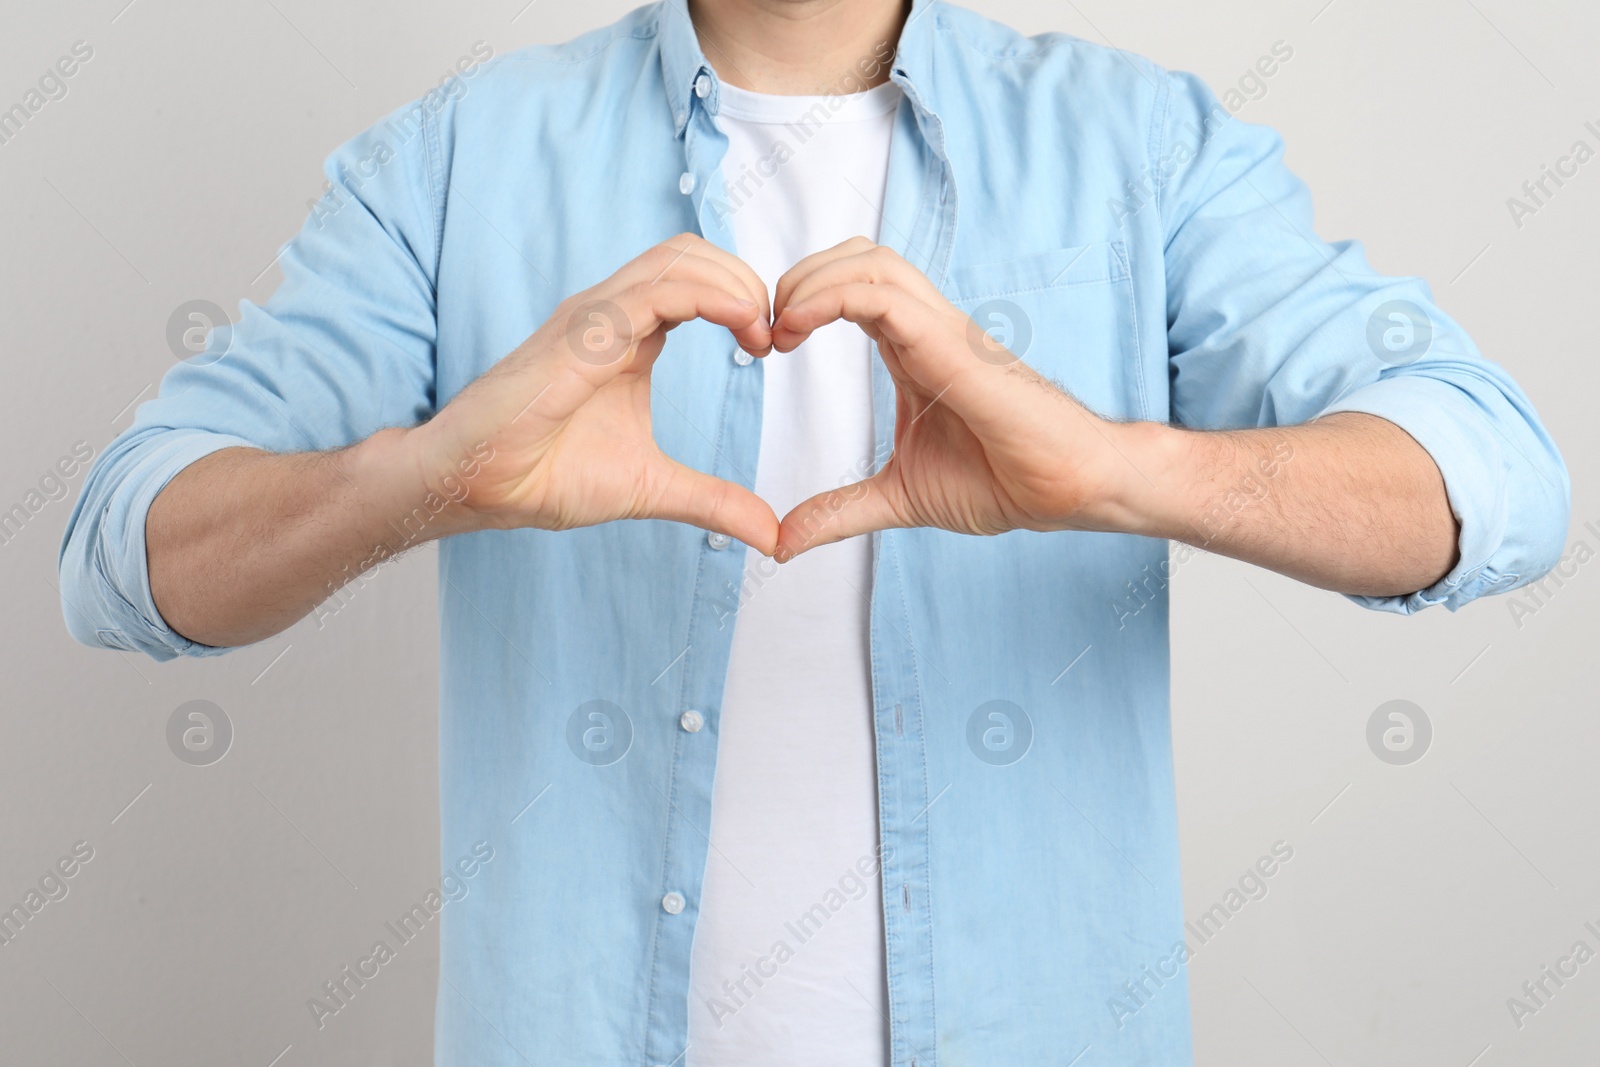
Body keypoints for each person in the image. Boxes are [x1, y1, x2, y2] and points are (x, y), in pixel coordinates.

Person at [59, 0, 1568, 1063]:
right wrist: (432, 477)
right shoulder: (453, 161)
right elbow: (126, 554)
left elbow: (1493, 479)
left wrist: (1113, 470)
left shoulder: (1146, 151)